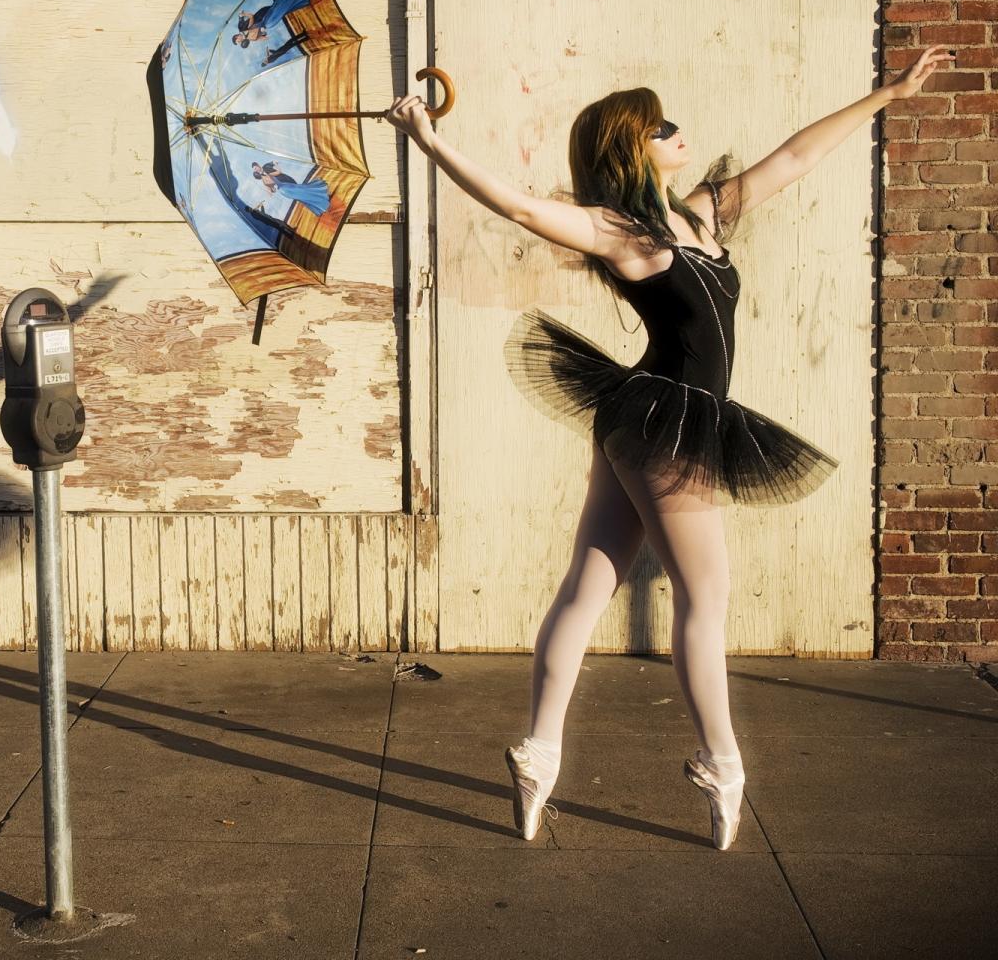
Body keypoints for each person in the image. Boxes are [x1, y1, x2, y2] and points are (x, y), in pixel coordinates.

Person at [385, 44, 954, 850]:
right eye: (661, 126)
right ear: (633, 145)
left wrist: (887, 95)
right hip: (663, 423)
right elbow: (519, 209)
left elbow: (796, 156)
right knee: (706, 592)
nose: (678, 131)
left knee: (589, 584)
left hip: (642, 416)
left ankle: (540, 752)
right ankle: (720, 761)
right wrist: (429, 140)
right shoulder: (618, 231)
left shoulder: (703, 212)